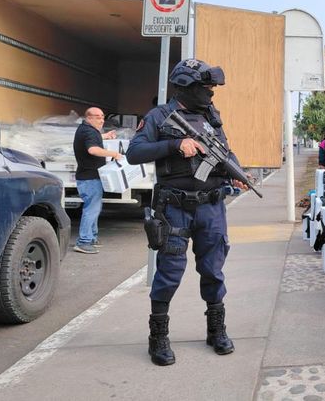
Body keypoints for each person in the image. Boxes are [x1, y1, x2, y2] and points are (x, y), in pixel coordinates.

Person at [127, 59, 249, 366]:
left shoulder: (211, 117)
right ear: (186, 87)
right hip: (175, 207)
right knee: (169, 273)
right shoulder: (159, 117)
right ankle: (158, 338)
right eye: (205, 87)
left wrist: (236, 170)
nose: (210, 93)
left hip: (211, 206)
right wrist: (175, 144)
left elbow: (224, 149)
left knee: (213, 269)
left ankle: (216, 330)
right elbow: (134, 153)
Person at [72, 107, 120, 254]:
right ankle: (84, 241)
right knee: (91, 210)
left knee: (94, 208)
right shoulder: (89, 131)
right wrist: (114, 154)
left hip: (89, 177)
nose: (101, 119)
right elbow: (92, 149)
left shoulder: (86, 130)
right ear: (89, 118)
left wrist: (104, 136)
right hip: (89, 178)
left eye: (102, 116)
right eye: (98, 117)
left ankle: (91, 238)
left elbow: (94, 139)